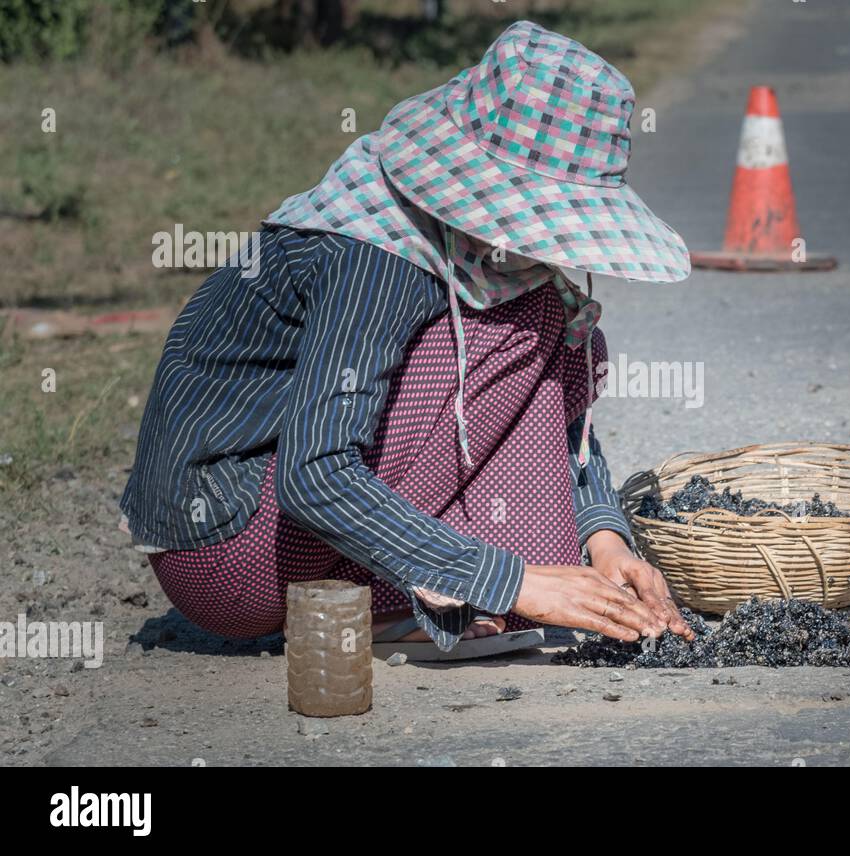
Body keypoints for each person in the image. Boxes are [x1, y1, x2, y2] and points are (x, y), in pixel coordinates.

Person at [118, 21, 694, 655]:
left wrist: (603, 537)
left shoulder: (477, 257)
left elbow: (557, 416)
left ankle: (447, 586)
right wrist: (512, 580)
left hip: (269, 540)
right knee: (521, 324)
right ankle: (421, 597)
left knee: (540, 309)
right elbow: (314, 474)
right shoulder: (375, 254)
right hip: (228, 552)